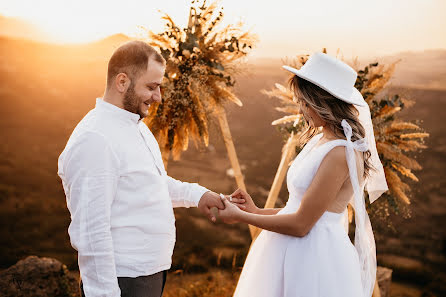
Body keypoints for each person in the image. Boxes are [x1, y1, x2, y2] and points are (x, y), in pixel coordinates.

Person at [57, 41, 226, 297]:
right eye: (151, 87)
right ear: (122, 82)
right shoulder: (95, 139)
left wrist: (197, 195)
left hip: (149, 274)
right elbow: (91, 232)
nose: (158, 97)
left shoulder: (137, 126)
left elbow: (150, 184)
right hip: (123, 280)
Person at [218, 52, 388, 297]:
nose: (301, 109)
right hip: (290, 251)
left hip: (314, 261)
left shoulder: (341, 153)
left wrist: (242, 218)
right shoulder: (320, 140)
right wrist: (254, 211)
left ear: (323, 102)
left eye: (305, 102)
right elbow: (296, 209)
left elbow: (301, 225)